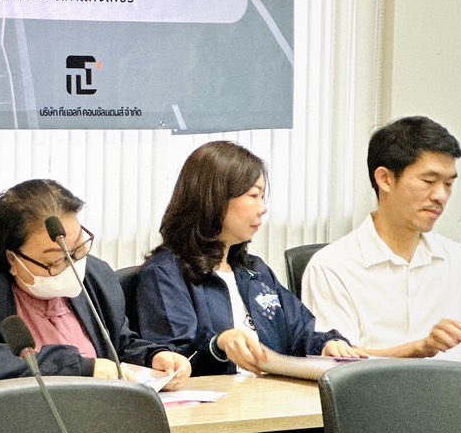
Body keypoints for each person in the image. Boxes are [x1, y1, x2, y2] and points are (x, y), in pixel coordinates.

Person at [0, 179, 191, 398]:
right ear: (12, 258)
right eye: (55, 261)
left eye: (78, 250)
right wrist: (81, 368)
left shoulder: (95, 276)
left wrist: (154, 358)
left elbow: (118, 344)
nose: (72, 266)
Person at [134, 141, 365, 375]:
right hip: (218, 396)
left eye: (263, 197)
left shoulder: (255, 271)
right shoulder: (166, 273)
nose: (262, 208)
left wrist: (326, 345)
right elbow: (174, 359)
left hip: (269, 392)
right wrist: (218, 345)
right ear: (215, 199)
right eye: (254, 195)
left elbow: (300, 334)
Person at [302, 117, 461, 359]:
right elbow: (338, 361)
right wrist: (419, 349)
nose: (441, 196)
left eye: (449, 184)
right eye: (429, 181)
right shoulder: (332, 266)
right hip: (371, 386)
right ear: (385, 179)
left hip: (453, 385)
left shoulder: (458, 259)